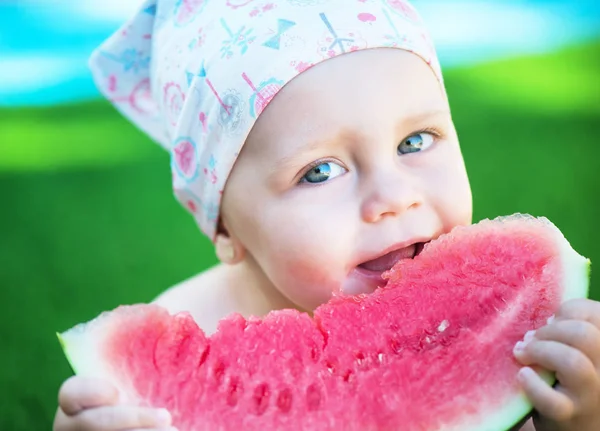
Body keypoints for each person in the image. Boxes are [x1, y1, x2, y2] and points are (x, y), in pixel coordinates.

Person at [53, 1, 600, 430]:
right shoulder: (174, 353)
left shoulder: (505, 323)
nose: (394, 196)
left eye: (416, 139)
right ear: (225, 227)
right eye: (320, 171)